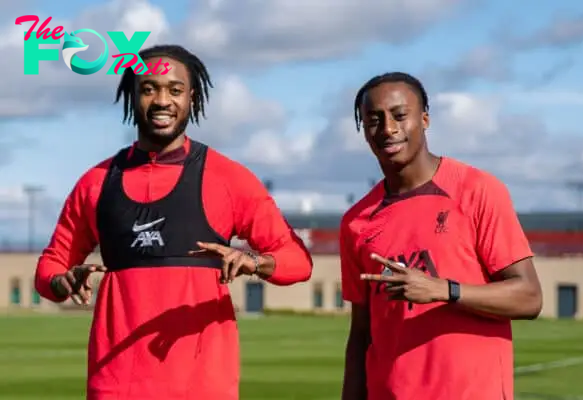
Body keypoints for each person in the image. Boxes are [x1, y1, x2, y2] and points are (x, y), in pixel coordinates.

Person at [34, 44, 313, 400]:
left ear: (192, 97)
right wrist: (62, 282)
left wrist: (255, 262)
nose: (162, 100)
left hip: (203, 387)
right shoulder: (96, 183)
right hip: (115, 386)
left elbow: (298, 262)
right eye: (149, 88)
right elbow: (50, 268)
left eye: (175, 90)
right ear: (132, 95)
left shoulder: (228, 178)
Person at [339, 72, 543, 400]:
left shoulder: (477, 191)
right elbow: (361, 335)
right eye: (374, 120)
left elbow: (529, 297)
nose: (388, 128)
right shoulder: (356, 222)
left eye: (400, 115)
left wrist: (445, 290)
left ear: (425, 119)